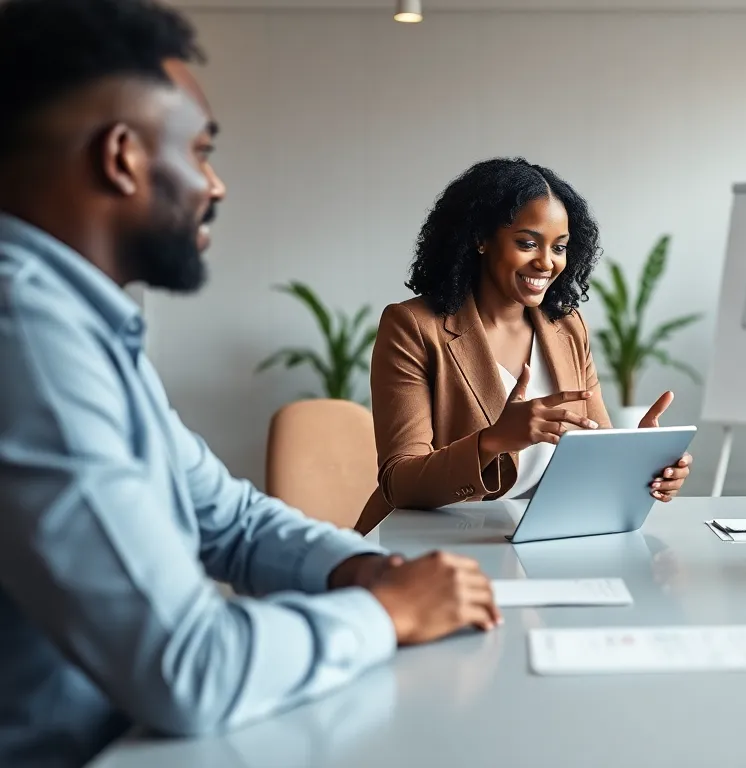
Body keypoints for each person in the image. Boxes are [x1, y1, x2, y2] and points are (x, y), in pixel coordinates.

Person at [0, 2, 501, 765]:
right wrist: (383, 611)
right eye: (200, 152)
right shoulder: (27, 337)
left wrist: (361, 568)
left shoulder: (85, 325)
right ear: (123, 157)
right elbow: (187, 669)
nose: (216, 185)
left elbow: (225, 518)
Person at [355, 159, 692, 534]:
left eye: (559, 247)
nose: (546, 262)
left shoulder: (567, 327)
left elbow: (590, 457)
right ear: (480, 238)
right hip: (435, 543)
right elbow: (399, 481)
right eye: (527, 243)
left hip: (538, 538)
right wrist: (493, 441)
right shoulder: (414, 326)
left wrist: (640, 464)